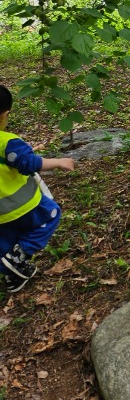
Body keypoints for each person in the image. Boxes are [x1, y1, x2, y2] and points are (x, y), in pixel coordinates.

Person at [0, 84, 75, 293]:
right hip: (21, 205)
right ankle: (21, 254)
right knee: (51, 215)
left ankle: (13, 277)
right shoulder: (7, 142)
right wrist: (58, 161)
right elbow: (28, 163)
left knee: (5, 240)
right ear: (4, 115)